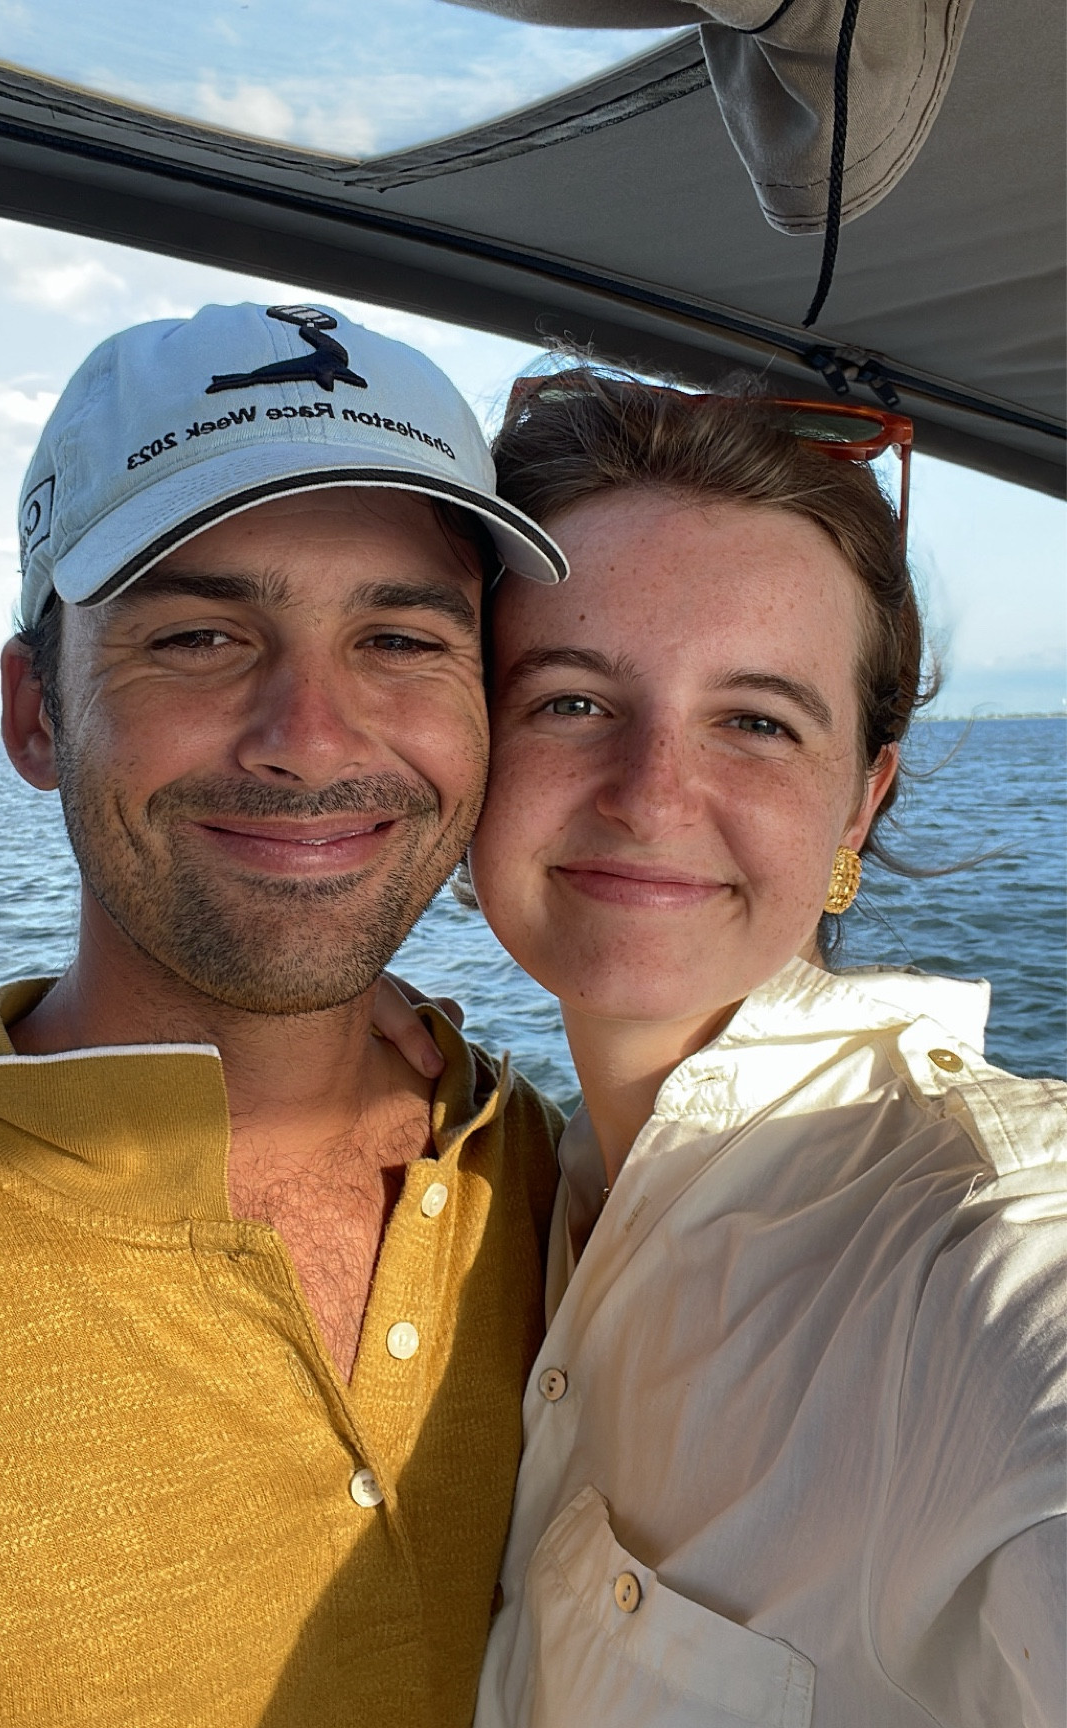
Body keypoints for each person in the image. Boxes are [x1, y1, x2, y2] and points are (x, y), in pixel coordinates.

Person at [0, 301, 571, 1727]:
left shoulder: (551, 1175)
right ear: (37, 716)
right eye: (203, 636)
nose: (313, 737)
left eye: (400, 637)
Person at [466, 373, 1067, 1727]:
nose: (653, 792)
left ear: (862, 800)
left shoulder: (975, 1247)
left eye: (757, 721)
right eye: (568, 699)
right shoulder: (504, 1183)